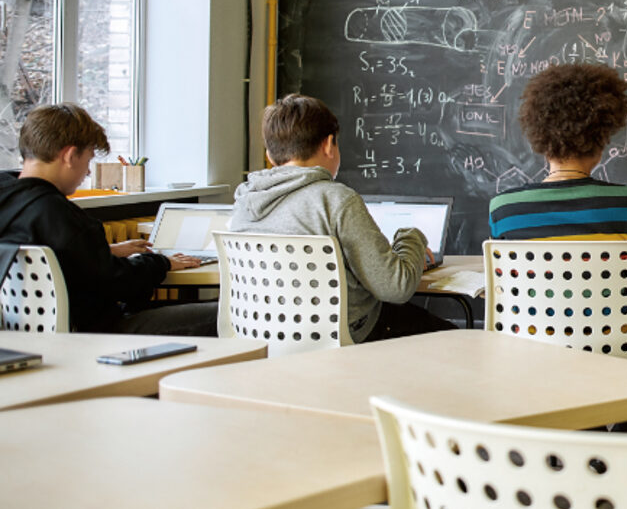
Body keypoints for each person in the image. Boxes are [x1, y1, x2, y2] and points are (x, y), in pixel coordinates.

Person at [487, 63, 627, 356]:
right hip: (612, 349)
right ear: (601, 140)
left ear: (541, 141)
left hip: (532, 349)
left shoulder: (504, 209)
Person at [231, 94, 453, 343]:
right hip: (343, 336)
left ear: (270, 156)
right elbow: (395, 286)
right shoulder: (335, 200)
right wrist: (411, 238)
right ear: (328, 145)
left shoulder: (243, 202)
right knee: (458, 339)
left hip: (260, 335)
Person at [0, 103, 213, 334]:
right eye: (88, 160)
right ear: (70, 156)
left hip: (24, 335)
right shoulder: (59, 213)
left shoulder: (10, 196)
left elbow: (53, 255)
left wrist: (108, 250)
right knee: (224, 314)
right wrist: (163, 262)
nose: (88, 172)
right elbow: (119, 282)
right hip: (97, 334)